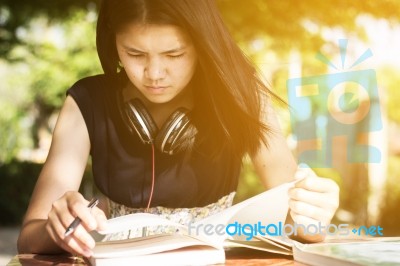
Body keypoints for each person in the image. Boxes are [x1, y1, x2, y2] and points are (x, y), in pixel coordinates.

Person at [17, 0, 339, 258]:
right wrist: (57, 227)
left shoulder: (244, 97)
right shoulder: (86, 101)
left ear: (202, 45)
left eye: (174, 54)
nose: (154, 73)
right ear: (113, 43)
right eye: (134, 54)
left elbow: (300, 225)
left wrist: (314, 216)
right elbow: (29, 237)